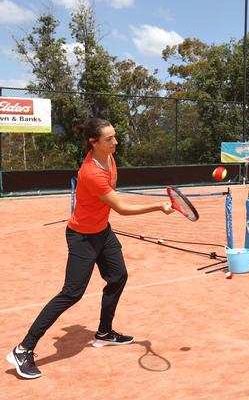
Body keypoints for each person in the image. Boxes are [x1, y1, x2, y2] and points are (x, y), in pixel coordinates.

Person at [6, 117, 174, 379]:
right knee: (72, 293)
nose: (115, 142)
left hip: (102, 232)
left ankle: (104, 333)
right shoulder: (91, 172)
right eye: (109, 139)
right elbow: (121, 208)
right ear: (93, 143)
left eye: (115, 136)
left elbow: (112, 195)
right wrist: (158, 206)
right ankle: (23, 349)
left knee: (118, 276)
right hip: (82, 237)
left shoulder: (108, 157)